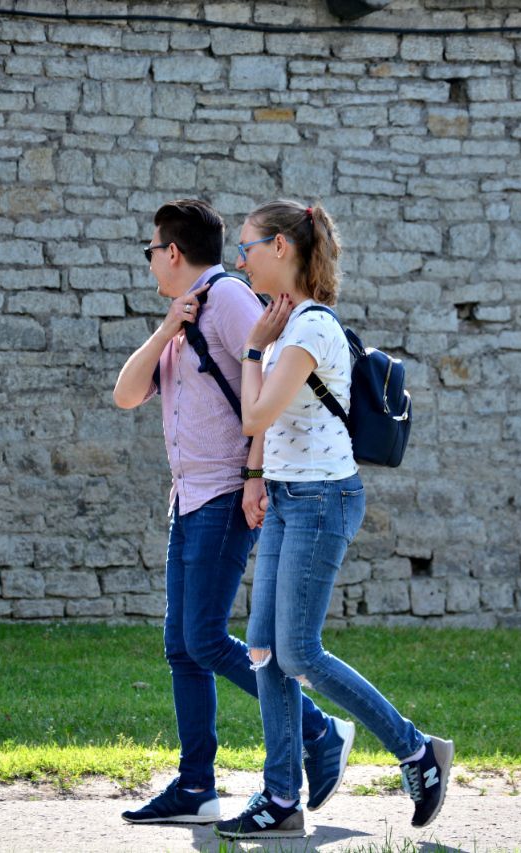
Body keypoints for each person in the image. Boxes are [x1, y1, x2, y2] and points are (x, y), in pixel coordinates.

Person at [214, 200, 454, 840]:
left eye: (247, 247)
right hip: (288, 497)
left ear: (281, 248)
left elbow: (256, 414)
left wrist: (252, 348)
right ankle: (280, 799)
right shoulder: (288, 325)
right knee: (264, 650)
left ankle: (416, 750)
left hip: (322, 500)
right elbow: (271, 428)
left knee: (298, 652)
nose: (240, 260)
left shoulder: (310, 329)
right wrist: (256, 477)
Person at [112, 198, 355, 826]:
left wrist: (253, 476)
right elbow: (126, 394)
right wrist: (166, 329)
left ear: (171, 252)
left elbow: (265, 384)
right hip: (188, 496)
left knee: (205, 637)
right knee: (181, 646)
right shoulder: (186, 311)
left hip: (225, 493)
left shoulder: (230, 300)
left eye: (151, 250)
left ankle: (319, 731)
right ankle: (197, 785)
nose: (149, 261)